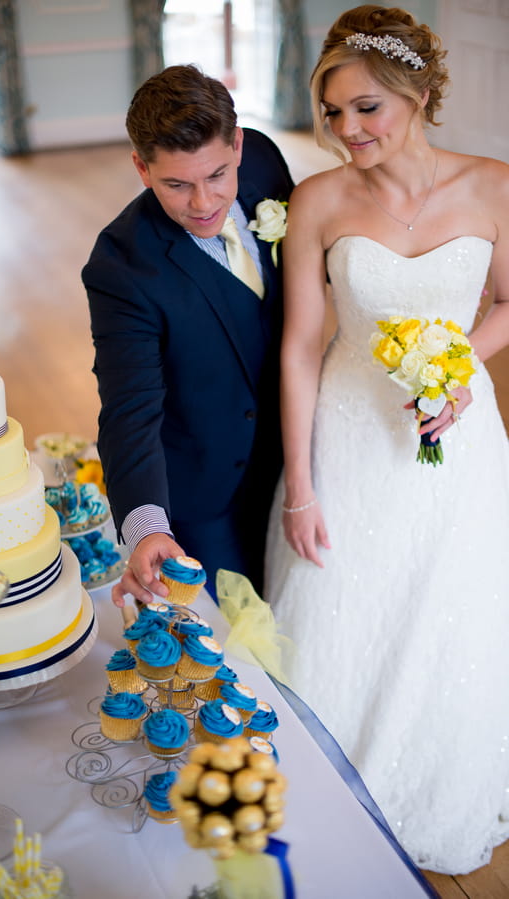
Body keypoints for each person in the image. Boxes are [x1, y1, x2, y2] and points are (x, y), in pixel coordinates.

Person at [264, 4, 509, 875]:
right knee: (343, 610)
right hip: (348, 434)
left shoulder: (494, 186)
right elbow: (299, 344)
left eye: (366, 107)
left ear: (421, 93)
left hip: (454, 438)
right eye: (333, 112)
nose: (345, 129)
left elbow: (508, 305)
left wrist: (457, 364)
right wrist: (301, 482)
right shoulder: (318, 200)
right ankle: (333, 795)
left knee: (448, 611)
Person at [83, 65, 293, 606]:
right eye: (176, 184)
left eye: (217, 175)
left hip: (302, 456)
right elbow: (129, 408)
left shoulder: (266, 163)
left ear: (240, 146)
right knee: (240, 641)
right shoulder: (121, 266)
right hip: (206, 491)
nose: (203, 203)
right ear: (141, 167)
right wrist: (147, 526)